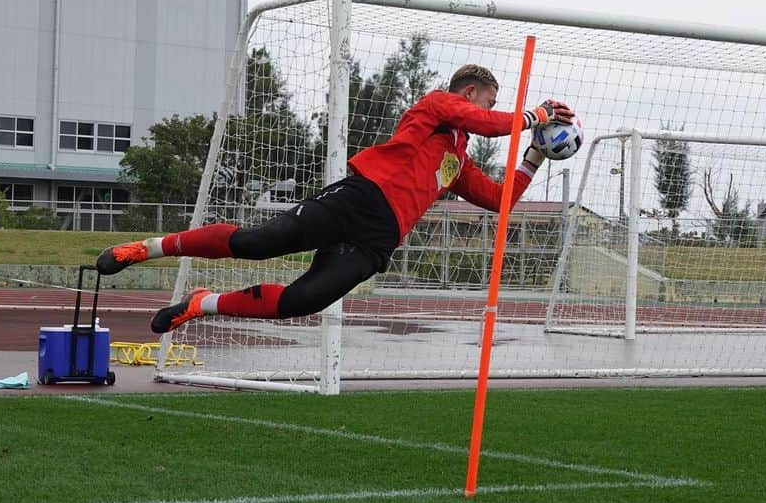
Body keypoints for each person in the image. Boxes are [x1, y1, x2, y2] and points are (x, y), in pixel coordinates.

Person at [96, 64, 575, 334]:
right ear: (470, 94)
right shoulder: (435, 106)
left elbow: (501, 198)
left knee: (304, 302)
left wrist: (532, 156)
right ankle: (146, 248)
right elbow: (489, 123)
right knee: (258, 242)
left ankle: (202, 304)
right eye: (489, 101)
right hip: (358, 199)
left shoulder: (457, 160)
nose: (491, 112)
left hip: (377, 239)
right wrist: (537, 114)